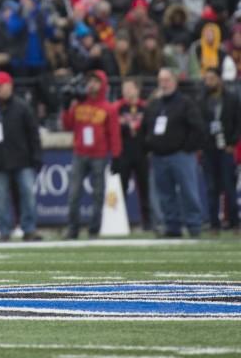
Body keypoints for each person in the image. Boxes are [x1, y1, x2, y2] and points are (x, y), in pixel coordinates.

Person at [0, 71, 41, 242]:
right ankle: (4, 230)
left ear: (9, 86)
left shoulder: (22, 107)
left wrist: (37, 155)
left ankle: (29, 228)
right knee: (1, 198)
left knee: (27, 194)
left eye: (0, 85)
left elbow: (33, 134)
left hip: (22, 160)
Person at [144, 69, 205, 238]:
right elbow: (146, 127)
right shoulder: (155, 104)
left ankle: (194, 226)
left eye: (167, 79)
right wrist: (149, 146)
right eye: (160, 80)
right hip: (159, 156)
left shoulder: (185, 103)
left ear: (175, 81)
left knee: (188, 191)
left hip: (181, 155)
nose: (163, 83)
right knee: (165, 194)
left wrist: (187, 148)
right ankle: (172, 226)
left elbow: (198, 128)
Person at [61, 70, 121, 239]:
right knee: (73, 193)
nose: (91, 84)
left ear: (103, 85)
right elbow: (67, 125)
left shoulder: (108, 108)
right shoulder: (79, 105)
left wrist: (116, 156)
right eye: (90, 81)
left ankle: (94, 228)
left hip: (99, 155)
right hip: (80, 153)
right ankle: (73, 228)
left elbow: (114, 134)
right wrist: (65, 108)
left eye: (96, 81)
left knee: (98, 194)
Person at [199, 68, 241, 233]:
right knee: (211, 187)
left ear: (219, 79)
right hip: (209, 149)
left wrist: (232, 143)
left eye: (212, 78)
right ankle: (214, 223)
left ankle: (235, 222)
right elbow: (199, 125)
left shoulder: (231, 99)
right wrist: (202, 145)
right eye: (206, 79)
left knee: (229, 186)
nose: (208, 82)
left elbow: (238, 122)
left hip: (226, 148)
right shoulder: (201, 100)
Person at [114, 79, 152, 231]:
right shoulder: (117, 107)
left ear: (137, 90)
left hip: (142, 152)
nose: (127, 92)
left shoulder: (145, 107)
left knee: (144, 189)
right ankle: (119, 221)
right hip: (124, 152)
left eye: (130, 88)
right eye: (124, 89)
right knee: (120, 189)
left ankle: (148, 222)